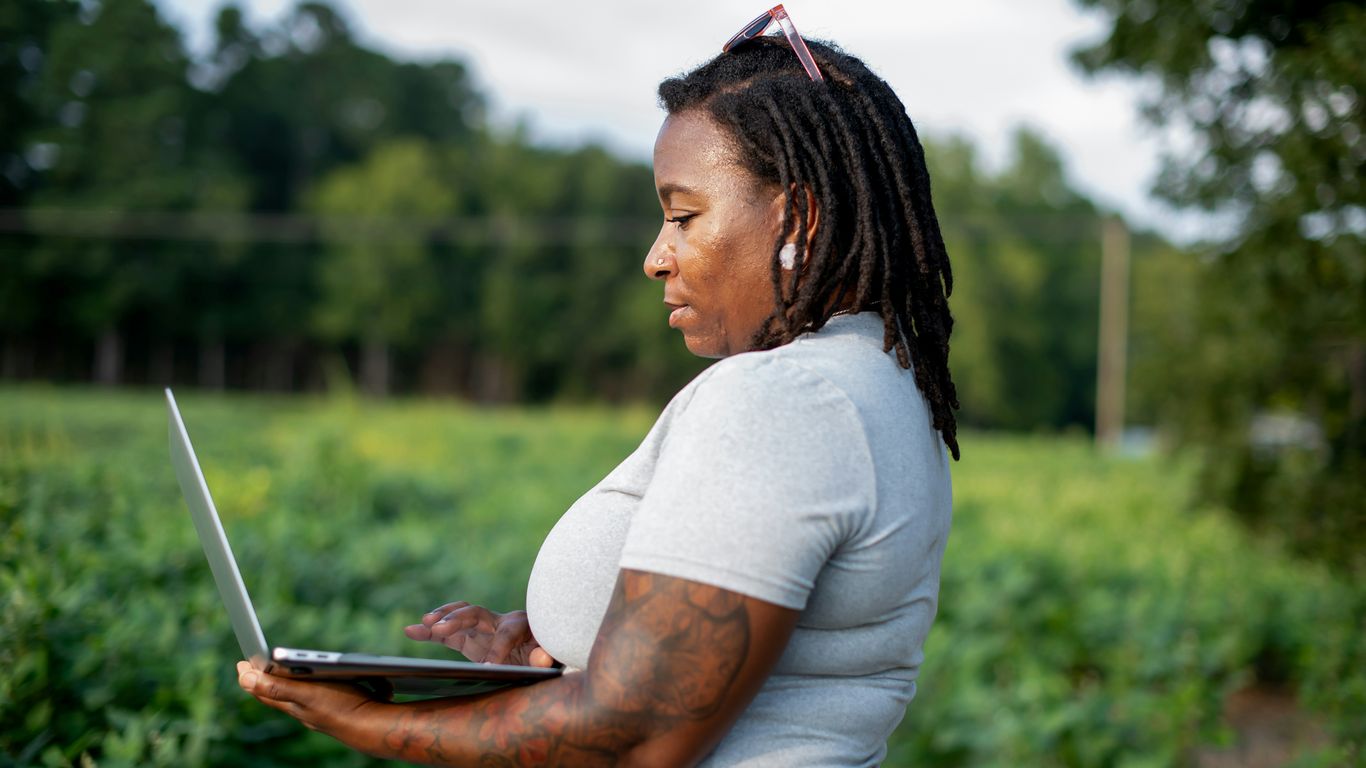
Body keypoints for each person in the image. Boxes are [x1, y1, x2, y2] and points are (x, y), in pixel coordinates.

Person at [236, 7, 959, 766]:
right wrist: (575, 653)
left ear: (801, 219)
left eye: (683, 216)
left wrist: (362, 720)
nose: (657, 256)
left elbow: (641, 732)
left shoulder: (783, 401)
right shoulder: (877, 382)